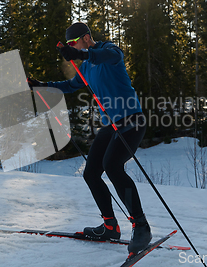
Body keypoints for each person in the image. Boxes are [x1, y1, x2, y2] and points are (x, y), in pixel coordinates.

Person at [27, 22, 151, 255]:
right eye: (70, 47)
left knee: (112, 166)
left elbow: (104, 55)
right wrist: (42, 86)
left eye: (74, 44)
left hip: (132, 120)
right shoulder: (86, 67)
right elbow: (70, 85)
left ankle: (142, 226)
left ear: (86, 38)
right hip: (112, 124)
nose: (72, 49)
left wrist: (81, 53)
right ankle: (110, 227)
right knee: (91, 173)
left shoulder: (110, 52)